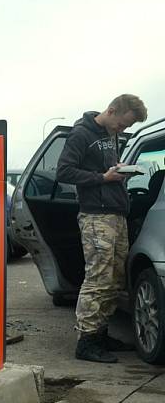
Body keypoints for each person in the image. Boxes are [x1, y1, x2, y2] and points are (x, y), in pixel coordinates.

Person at [56, 94, 148, 363]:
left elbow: (104, 169)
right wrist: (102, 177)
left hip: (116, 214)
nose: (123, 130)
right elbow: (64, 172)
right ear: (111, 111)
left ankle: (100, 333)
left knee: (115, 279)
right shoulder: (81, 135)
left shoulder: (111, 135)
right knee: (98, 279)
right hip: (96, 217)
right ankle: (86, 341)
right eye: (123, 124)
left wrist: (118, 170)